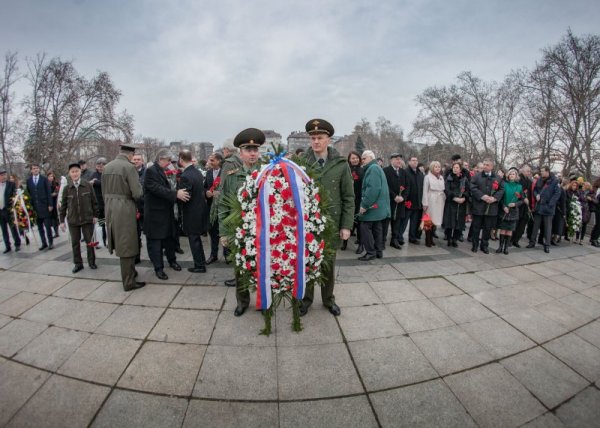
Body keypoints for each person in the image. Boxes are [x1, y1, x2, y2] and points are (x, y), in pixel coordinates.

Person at [299, 118, 354, 317]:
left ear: (328, 140)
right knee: (306, 263)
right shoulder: (301, 164)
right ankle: (305, 300)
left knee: (328, 265)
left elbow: (348, 197)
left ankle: (328, 299)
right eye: (313, 138)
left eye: (320, 138)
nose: (316, 142)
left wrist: (346, 225)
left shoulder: (340, 164)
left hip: (331, 224)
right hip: (306, 224)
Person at [218, 128, 265, 316]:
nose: (252, 153)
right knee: (240, 268)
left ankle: (263, 301)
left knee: (262, 267)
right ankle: (242, 301)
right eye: (248, 149)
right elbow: (223, 205)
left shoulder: (266, 174)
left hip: (263, 230)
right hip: (239, 230)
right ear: (240, 152)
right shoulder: (231, 175)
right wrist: (223, 232)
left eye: (255, 149)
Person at [102, 144, 146, 291]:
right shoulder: (129, 167)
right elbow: (137, 193)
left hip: (110, 207)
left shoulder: (107, 167)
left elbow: (103, 191)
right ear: (130, 155)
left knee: (120, 241)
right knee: (127, 243)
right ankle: (129, 282)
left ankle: (131, 272)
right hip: (125, 208)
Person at [144, 151, 190, 280]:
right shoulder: (151, 171)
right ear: (160, 159)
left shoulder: (164, 170)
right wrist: (175, 194)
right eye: (168, 160)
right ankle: (159, 268)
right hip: (155, 215)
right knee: (156, 243)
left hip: (167, 213)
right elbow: (156, 188)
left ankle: (172, 261)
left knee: (170, 239)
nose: (170, 163)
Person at [59, 162, 98, 273]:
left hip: (87, 219)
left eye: (77, 171)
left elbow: (94, 202)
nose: (75, 173)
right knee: (75, 243)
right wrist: (61, 221)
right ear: (69, 174)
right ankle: (78, 264)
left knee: (89, 242)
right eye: (73, 172)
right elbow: (63, 206)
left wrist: (95, 215)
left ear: (80, 172)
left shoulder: (87, 185)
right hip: (73, 220)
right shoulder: (67, 188)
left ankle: (92, 262)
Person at [178, 149, 208, 273]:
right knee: (197, 239)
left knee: (194, 240)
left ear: (180, 160)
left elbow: (185, 196)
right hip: (200, 210)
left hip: (191, 212)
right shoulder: (197, 172)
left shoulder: (185, 175)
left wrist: (176, 196)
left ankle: (199, 265)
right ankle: (201, 262)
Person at [357, 150, 390, 260]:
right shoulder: (376, 167)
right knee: (377, 228)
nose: (362, 161)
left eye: (364, 158)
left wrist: (364, 205)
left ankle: (371, 252)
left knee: (364, 227)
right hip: (378, 207)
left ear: (371, 158)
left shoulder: (372, 168)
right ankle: (378, 252)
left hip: (373, 207)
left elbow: (373, 189)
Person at [469, 158, 505, 254]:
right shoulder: (477, 176)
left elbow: (502, 190)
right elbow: (472, 187)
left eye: (487, 165)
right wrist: (482, 196)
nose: (485, 166)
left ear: (492, 167)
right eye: (484, 164)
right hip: (479, 207)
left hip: (491, 208)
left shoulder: (498, 178)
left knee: (487, 228)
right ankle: (475, 245)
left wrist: (494, 198)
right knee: (476, 227)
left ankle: (484, 246)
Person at [527, 166, 560, 253]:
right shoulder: (539, 180)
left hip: (548, 209)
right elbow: (535, 190)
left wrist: (549, 204)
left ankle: (547, 245)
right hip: (539, 207)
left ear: (547, 171)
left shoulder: (555, 181)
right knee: (535, 226)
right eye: (541, 171)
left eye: (542, 171)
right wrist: (536, 195)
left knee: (547, 228)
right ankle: (532, 242)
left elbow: (556, 195)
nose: (541, 173)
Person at [496, 167, 524, 254]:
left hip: (513, 211)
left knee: (509, 230)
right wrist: (504, 207)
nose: (512, 175)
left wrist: (515, 204)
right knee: (503, 229)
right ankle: (500, 247)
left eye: (513, 174)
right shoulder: (504, 184)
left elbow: (522, 200)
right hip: (504, 210)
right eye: (510, 174)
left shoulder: (519, 187)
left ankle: (506, 248)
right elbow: (500, 198)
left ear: (516, 176)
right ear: (508, 175)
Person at [27, 163, 54, 250]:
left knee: (47, 226)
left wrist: (50, 204)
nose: (35, 170)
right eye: (34, 168)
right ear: (31, 170)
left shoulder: (44, 179)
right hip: (35, 208)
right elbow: (29, 194)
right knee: (39, 228)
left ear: (39, 169)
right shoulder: (29, 180)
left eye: (37, 168)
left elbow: (49, 193)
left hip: (45, 206)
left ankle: (50, 242)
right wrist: (30, 207)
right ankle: (44, 243)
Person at [383, 153, 408, 249]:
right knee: (385, 222)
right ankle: (382, 241)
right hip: (389, 201)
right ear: (391, 160)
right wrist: (394, 196)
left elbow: (407, 186)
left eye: (400, 159)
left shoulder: (403, 172)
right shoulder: (385, 171)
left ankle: (394, 240)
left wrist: (403, 197)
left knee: (397, 222)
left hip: (400, 202)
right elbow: (385, 186)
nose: (399, 161)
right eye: (397, 159)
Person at [443, 162, 469, 247]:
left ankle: (455, 239)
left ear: (460, 169)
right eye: (454, 167)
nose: (455, 169)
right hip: (451, 203)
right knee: (450, 221)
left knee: (459, 223)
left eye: (457, 167)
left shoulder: (464, 179)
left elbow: (468, 190)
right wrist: (454, 198)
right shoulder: (449, 178)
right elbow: (447, 190)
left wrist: (464, 198)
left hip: (461, 204)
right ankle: (449, 238)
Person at [204, 152, 223, 264]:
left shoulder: (225, 172)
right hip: (211, 208)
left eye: (212, 160)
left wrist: (220, 193)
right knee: (212, 232)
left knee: (223, 231)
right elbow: (205, 187)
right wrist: (206, 192)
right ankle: (213, 255)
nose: (210, 162)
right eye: (209, 160)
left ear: (219, 161)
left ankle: (227, 254)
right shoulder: (208, 172)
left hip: (222, 208)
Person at [422, 160, 446, 245]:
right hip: (431, 200)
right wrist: (425, 203)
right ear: (432, 167)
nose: (437, 168)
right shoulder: (427, 177)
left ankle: (432, 238)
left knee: (436, 220)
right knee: (428, 220)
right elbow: (425, 191)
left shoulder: (441, 177)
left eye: (439, 167)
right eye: (436, 166)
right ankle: (427, 239)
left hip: (439, 200)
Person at [344, 151, 363, 252]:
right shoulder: (346, 170)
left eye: (356, 158)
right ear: (349, 160)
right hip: (349, 199)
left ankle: (360, 244)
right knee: (348, 221)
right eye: (353, 158)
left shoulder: (363, 170)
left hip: (359, 199)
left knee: (360, 223)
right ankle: (344, 242)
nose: (355, 160)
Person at [403, 156, 424, 244]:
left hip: (417, 202)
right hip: (408, 202)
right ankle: (399, 237)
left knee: (414, 222)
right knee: (404, 222)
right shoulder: (405, 172)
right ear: (409, 162)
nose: (415, 162)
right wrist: (405, 199)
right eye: (413, 160)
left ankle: (412, 237)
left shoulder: (420, 174)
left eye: (416, 160)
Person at [511, 165, 533, 248]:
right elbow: (517, 191)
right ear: (523, 171)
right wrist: (523, 198)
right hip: (519, 204)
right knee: (515, 223)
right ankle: (511, 239)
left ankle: (516, 240)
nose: (529, 173)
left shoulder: (530, 181)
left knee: (522, 224)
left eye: (529, 171)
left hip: (526, 206)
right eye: (527, 171)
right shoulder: (519, 179)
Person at [0, 167, 21, 253]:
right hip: (0, 211)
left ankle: (17, 244)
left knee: (13, 228)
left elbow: (15, 195)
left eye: (5, 174)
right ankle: (7, 246)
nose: (4, 176)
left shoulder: (11, 184)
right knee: (3, 229)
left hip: (8, 209)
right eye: (2, 175)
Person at [132, 153, 146, 264]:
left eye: (138, 159)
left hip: (145, 207)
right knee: (135, 234)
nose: (136, 161)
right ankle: (136, 256)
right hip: (133, 208)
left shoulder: (147, 172)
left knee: (148, 232)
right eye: (134, 159)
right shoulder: (129, 172)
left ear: (142, 161)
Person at [90, 158, 107, 246]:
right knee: (100, 222)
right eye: (98, 166)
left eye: (102, 166)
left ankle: (107, 239)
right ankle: (100, 240)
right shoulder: (94, 174)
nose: (100, 168)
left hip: (106, 202)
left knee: (107, 223)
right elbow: (90, 184)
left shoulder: (107, 174)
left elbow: (105, 184)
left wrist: (96, 182)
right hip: (97, 203)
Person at [47, 171, 60, 238]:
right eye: (49, 176)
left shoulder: (56, 183)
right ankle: (53, 231)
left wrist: (55, 193)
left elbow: (58, 191)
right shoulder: (46, 184)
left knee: (55, 217)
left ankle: (56, 231)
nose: (50, 178)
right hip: (49, 202)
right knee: (50, 217)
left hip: (55, 201)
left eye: (51, 176)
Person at [589, 178, 600, 247]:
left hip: (598, 209)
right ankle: (594, 239)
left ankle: (593, 238)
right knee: (598, 225)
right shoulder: (597, 190)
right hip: (598, 209)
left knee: (598, 225)